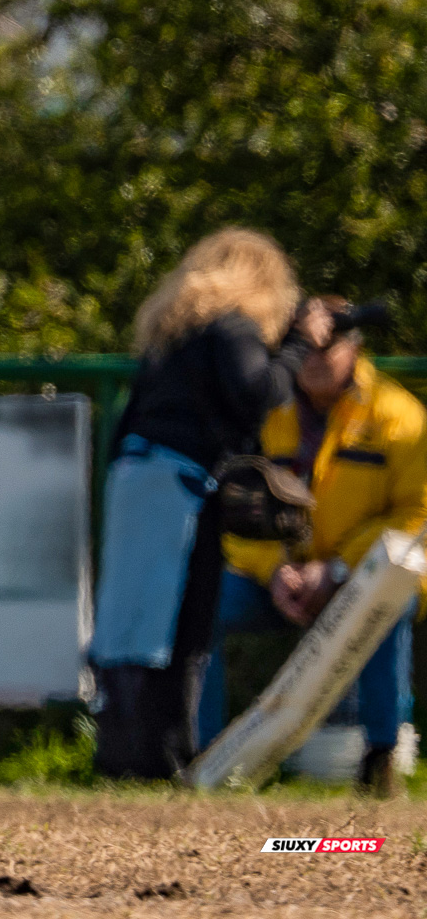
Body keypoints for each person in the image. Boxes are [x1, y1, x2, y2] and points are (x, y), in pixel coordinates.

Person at [90, 228, 332, 779]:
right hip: (176, 483)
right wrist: (299, 346)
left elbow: (131, 417)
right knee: (181, 624)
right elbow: (257, 392)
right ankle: (162, 756)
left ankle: (126, 753)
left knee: (132, 626)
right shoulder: (233, 326)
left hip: (137, 475)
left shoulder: (176, 331)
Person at [199, 302, 424, 795]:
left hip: (361, 579)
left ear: (355, 349)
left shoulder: (400, 416)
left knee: (394, 602)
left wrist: (339, 568)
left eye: (329, 345)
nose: (316, 357)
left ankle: (381, 760)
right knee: (205, 603)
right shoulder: (264, 409)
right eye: (305, 345)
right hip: (280, 583)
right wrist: (274, 569)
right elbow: (231, 508)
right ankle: (202, 757)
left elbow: (417, 514)